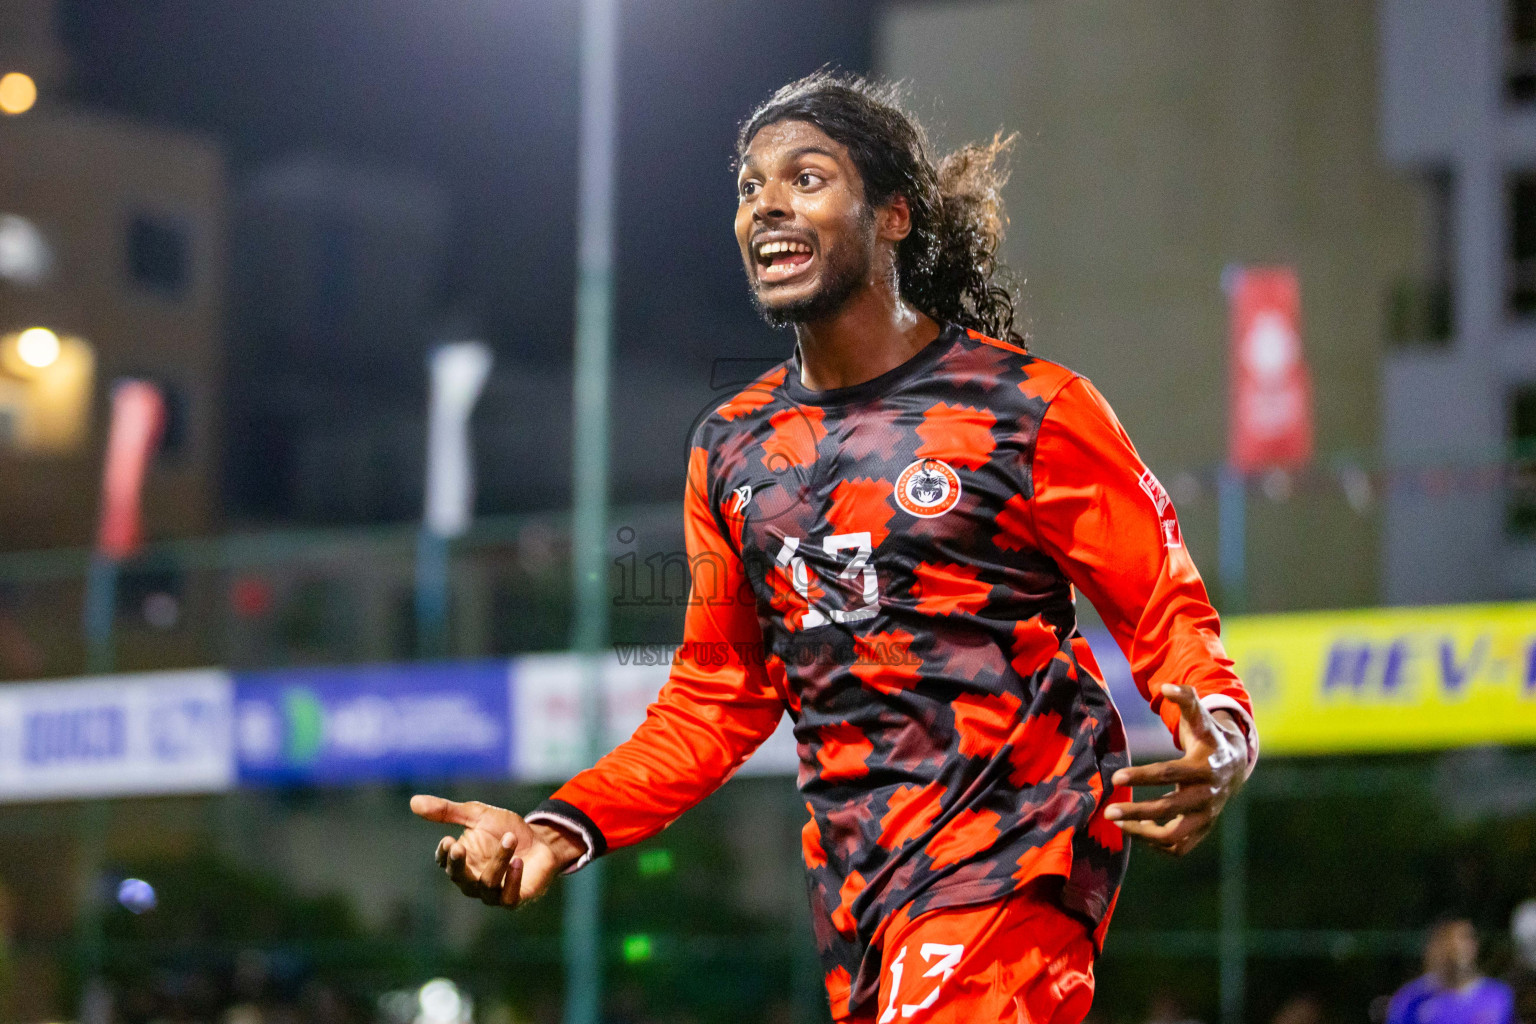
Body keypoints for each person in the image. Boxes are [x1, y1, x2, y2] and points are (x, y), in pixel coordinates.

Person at [412, 72, 1257, 1023]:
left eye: (805, 178)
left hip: (1016, 845)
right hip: (860, 890)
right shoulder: (731, 446)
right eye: (748, 187)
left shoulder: (1030, 410)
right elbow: (714, 699)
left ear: (892, 215)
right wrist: (561, 829)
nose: (766, 203)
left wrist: (1222, 728)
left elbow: (1162, 607)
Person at [1387, 919, 1515, 1024]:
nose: (1458, 949)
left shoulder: (1498, 995)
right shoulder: (1413, 999)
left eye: (1465, 940)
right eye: (1450, 942)